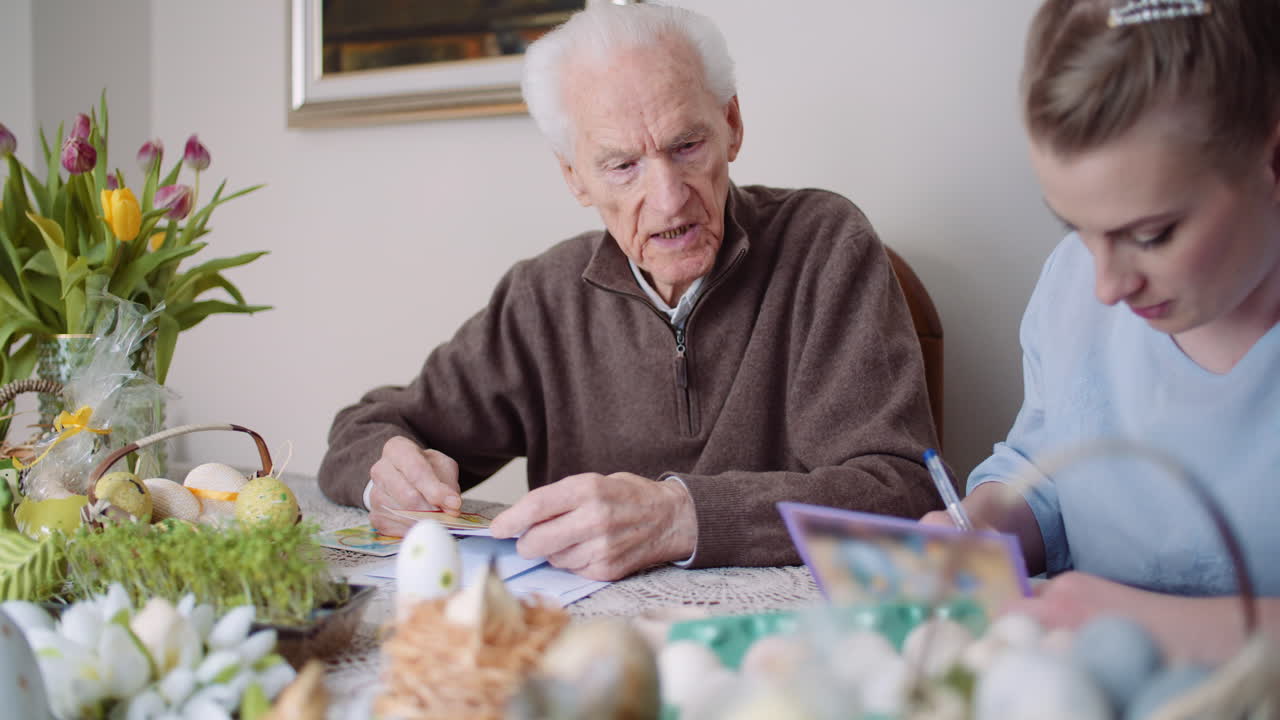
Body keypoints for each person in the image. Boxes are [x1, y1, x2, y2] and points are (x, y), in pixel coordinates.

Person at [318, 3, 941, 581]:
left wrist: (680, 516)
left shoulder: (825, 246)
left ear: (731, 125)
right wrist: (390, 480)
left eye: (687, 146)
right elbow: (365, 428)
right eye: (623, 165)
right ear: (574, 176)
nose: (668, 199)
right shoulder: (543, 298)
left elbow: (904, 491)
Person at [923, 0, 1280, 661]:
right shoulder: (1071, 287)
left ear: (1273, 160)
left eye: (1151, 235)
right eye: (1076, 228)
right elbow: (1050, 472)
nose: (1107, 287)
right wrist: (990, 522)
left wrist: (1144, 623)